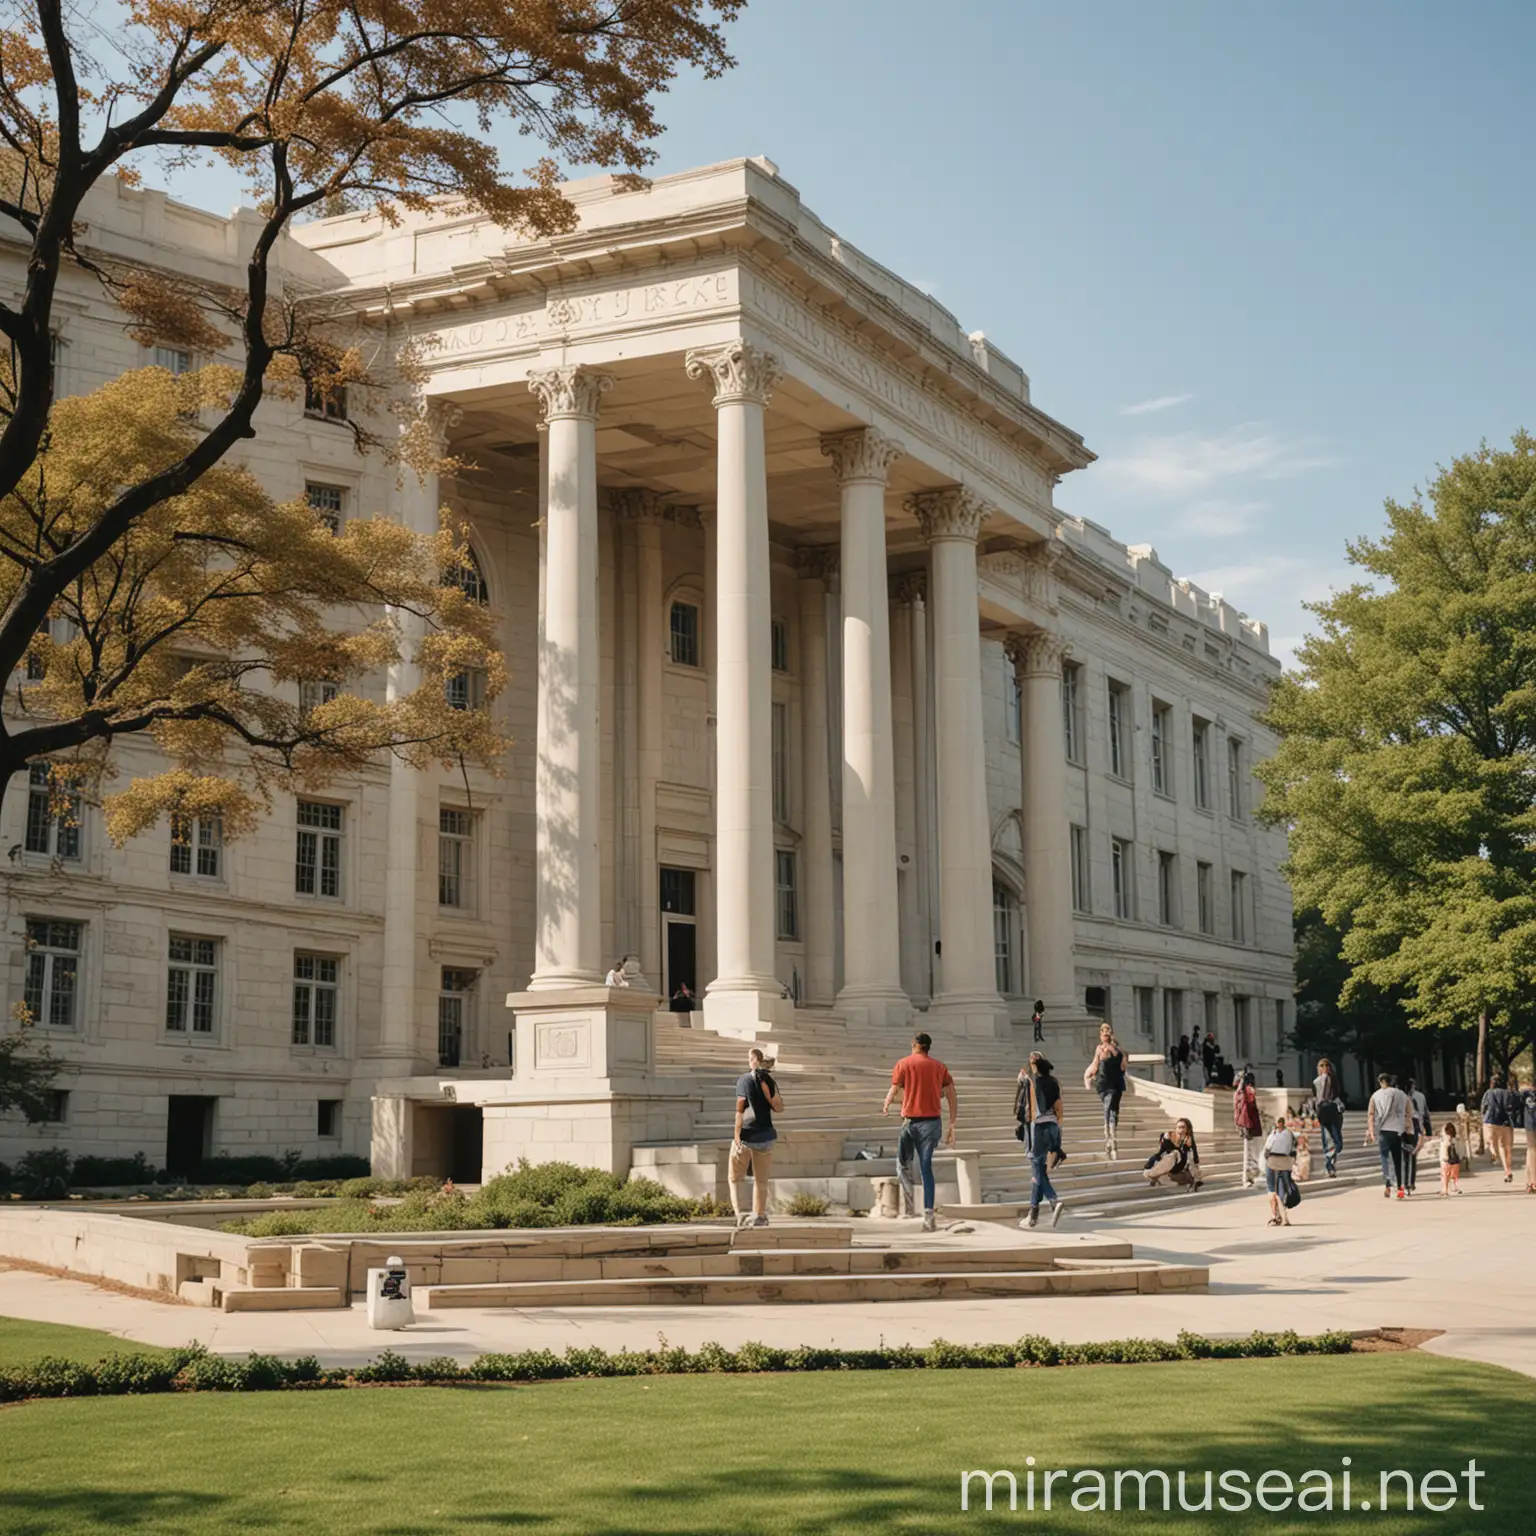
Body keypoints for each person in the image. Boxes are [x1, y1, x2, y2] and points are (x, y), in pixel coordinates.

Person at [882, 1032, 957, 1232]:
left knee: (902, 1165)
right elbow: (951, 1093)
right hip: (932, 1123)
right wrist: (952, 1124)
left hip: (910, 1123)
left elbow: (894, 1088)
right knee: (926, 1168)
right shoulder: (939, 1067)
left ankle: (908, 1209)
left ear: (915, 1045)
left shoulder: (903, 1064)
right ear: (928, 1047)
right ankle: (928, 1216)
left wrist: (887, 1103)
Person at [730, 1047, 782, 1228]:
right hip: (766, 1136)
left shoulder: (743, 1080)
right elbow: (779, 1107)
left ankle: (742, 1213)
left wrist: (737, 1136)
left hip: (746, 1134)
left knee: (736, 1177)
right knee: (761, 1180)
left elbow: (740, 1111)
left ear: (753, 1060)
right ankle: (759, 1215)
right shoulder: (769, 1080)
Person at [1018, 1052, 1066, 1229]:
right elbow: (1059, 1107)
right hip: (1053, 1127)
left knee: (1037, 1168)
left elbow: (1024, 1106)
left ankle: (1054, 1200)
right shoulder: (1054, 1082)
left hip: (1037, 1127)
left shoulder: (1031, 1081)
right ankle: (1033, 1213)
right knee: (1039, 1171)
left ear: (1034, 1066)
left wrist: (1022, 1080)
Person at [1084, 1023, 1128, 1160]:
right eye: (1102, 1032)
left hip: (1115, 1084)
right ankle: (1109, 1136)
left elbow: (1122, 1064)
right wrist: (1089, 1076)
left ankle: (1111, 1137)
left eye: (1107, 1032)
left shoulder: (1119, 1050)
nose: (1105, 1034)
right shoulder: (1099, 1049)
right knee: (1107, 1107)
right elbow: (1095, 1063)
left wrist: (1110, 1047)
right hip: (1102, 1084)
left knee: (1113, 1110)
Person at [1366, 1072, 1410, 1198]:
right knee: (1397, 1159)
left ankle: (1388, 1186)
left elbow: (1371, 1114)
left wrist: (1371, 1131)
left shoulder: (1375, 1095)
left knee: (1385, 1159)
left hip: (1383, 1130)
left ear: (1380, 1082)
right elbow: (1409, 1110)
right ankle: (1400, 1187)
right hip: (1397, 1130)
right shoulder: (1401, 1094)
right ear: (1390, 1081)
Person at [1143, 1118, 1202, 1192]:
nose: (1181, 1129)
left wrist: (1196, 1173)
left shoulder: (1189, 1140)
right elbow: (1160, 1152)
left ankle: (1157, 1177)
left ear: (1187, 1129)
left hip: (1178, 1168)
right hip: (1165, 1164)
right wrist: (1166, 1140)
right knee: (1174, 1153)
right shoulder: (1169, 1136)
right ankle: (1153, 1175)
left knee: (1181, 1158)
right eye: (1179, 1127)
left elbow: (1194, 1158)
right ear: (1176, 1128)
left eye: (1183, 1127)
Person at [1480, 1072, 1517, 1184]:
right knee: (1508, 1148)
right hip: (1506, 1122)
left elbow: (1483, 1107)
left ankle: (1492, 1150)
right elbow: (1513, 1107)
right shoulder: (1508, 1093)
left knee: (1498, 1145)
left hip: (1492, 1120)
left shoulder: (1488, 1093)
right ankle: (1508, 1170)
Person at [1263, 1114, 1298, 1227]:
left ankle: (1274, 1216)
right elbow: (1293, 1150)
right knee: (1282, 1191)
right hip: (1286, 1164)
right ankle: (1285, 1217)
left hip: (1272, 1163)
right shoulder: (1290, 1135)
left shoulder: (1272, 1135)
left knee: (1272, 1189)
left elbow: (1267, 1149)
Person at [1312, 1058, 1345, 1178]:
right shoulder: (1316, 1082)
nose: (1324, 1068)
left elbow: (1337, 1094)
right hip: (1323, 1112)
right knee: (1327, 1140)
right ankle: (1330, 1167)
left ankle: (1330, 1163)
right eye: (1321, 1065)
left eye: (1326, 1065)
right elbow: (1315, 1098)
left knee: (1338, 1143)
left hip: (1334, 1110)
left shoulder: (1334, 1080)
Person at [1233, 1070, 1263, 1187]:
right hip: (1248, 1124)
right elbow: (1241, 1110)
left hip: (1251, 1124)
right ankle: (1247, 1178)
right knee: (1249, 1153)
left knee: (1254, 1153)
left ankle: (1252, 1176)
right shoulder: (1242, 1093)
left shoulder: (1244, 1093)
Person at [1402, 1076, 1431, 1195]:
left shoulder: (1399, 1098)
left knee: (1404, 1158)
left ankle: (1404, 1182)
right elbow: (1425, 1115)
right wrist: (1428, 1131)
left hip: (1402, 1129)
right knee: (1412, 1157)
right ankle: (1411, 1182)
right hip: (1414, 1129)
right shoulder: (1420, 1097)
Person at [1520, 1075, 1536, 1193]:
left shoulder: (1525, 1094)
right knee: (1532, 1151)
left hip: (1529, 1124)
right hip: (1530, 1123)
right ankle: (1533, 1181)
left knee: (1530, 1151)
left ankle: (1530, 1181)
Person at [1439, 1119, 1463, 1196]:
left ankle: (1445, 1190)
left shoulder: (1446, 1139)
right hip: (1456, 1160)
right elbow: (1460, 1149)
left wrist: (1444, 1157)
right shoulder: (1456, 1139)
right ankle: (1455, 1187)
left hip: (1446, 1160)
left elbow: (1445, 1148)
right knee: (1454, 1176)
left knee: (1445, 1175)